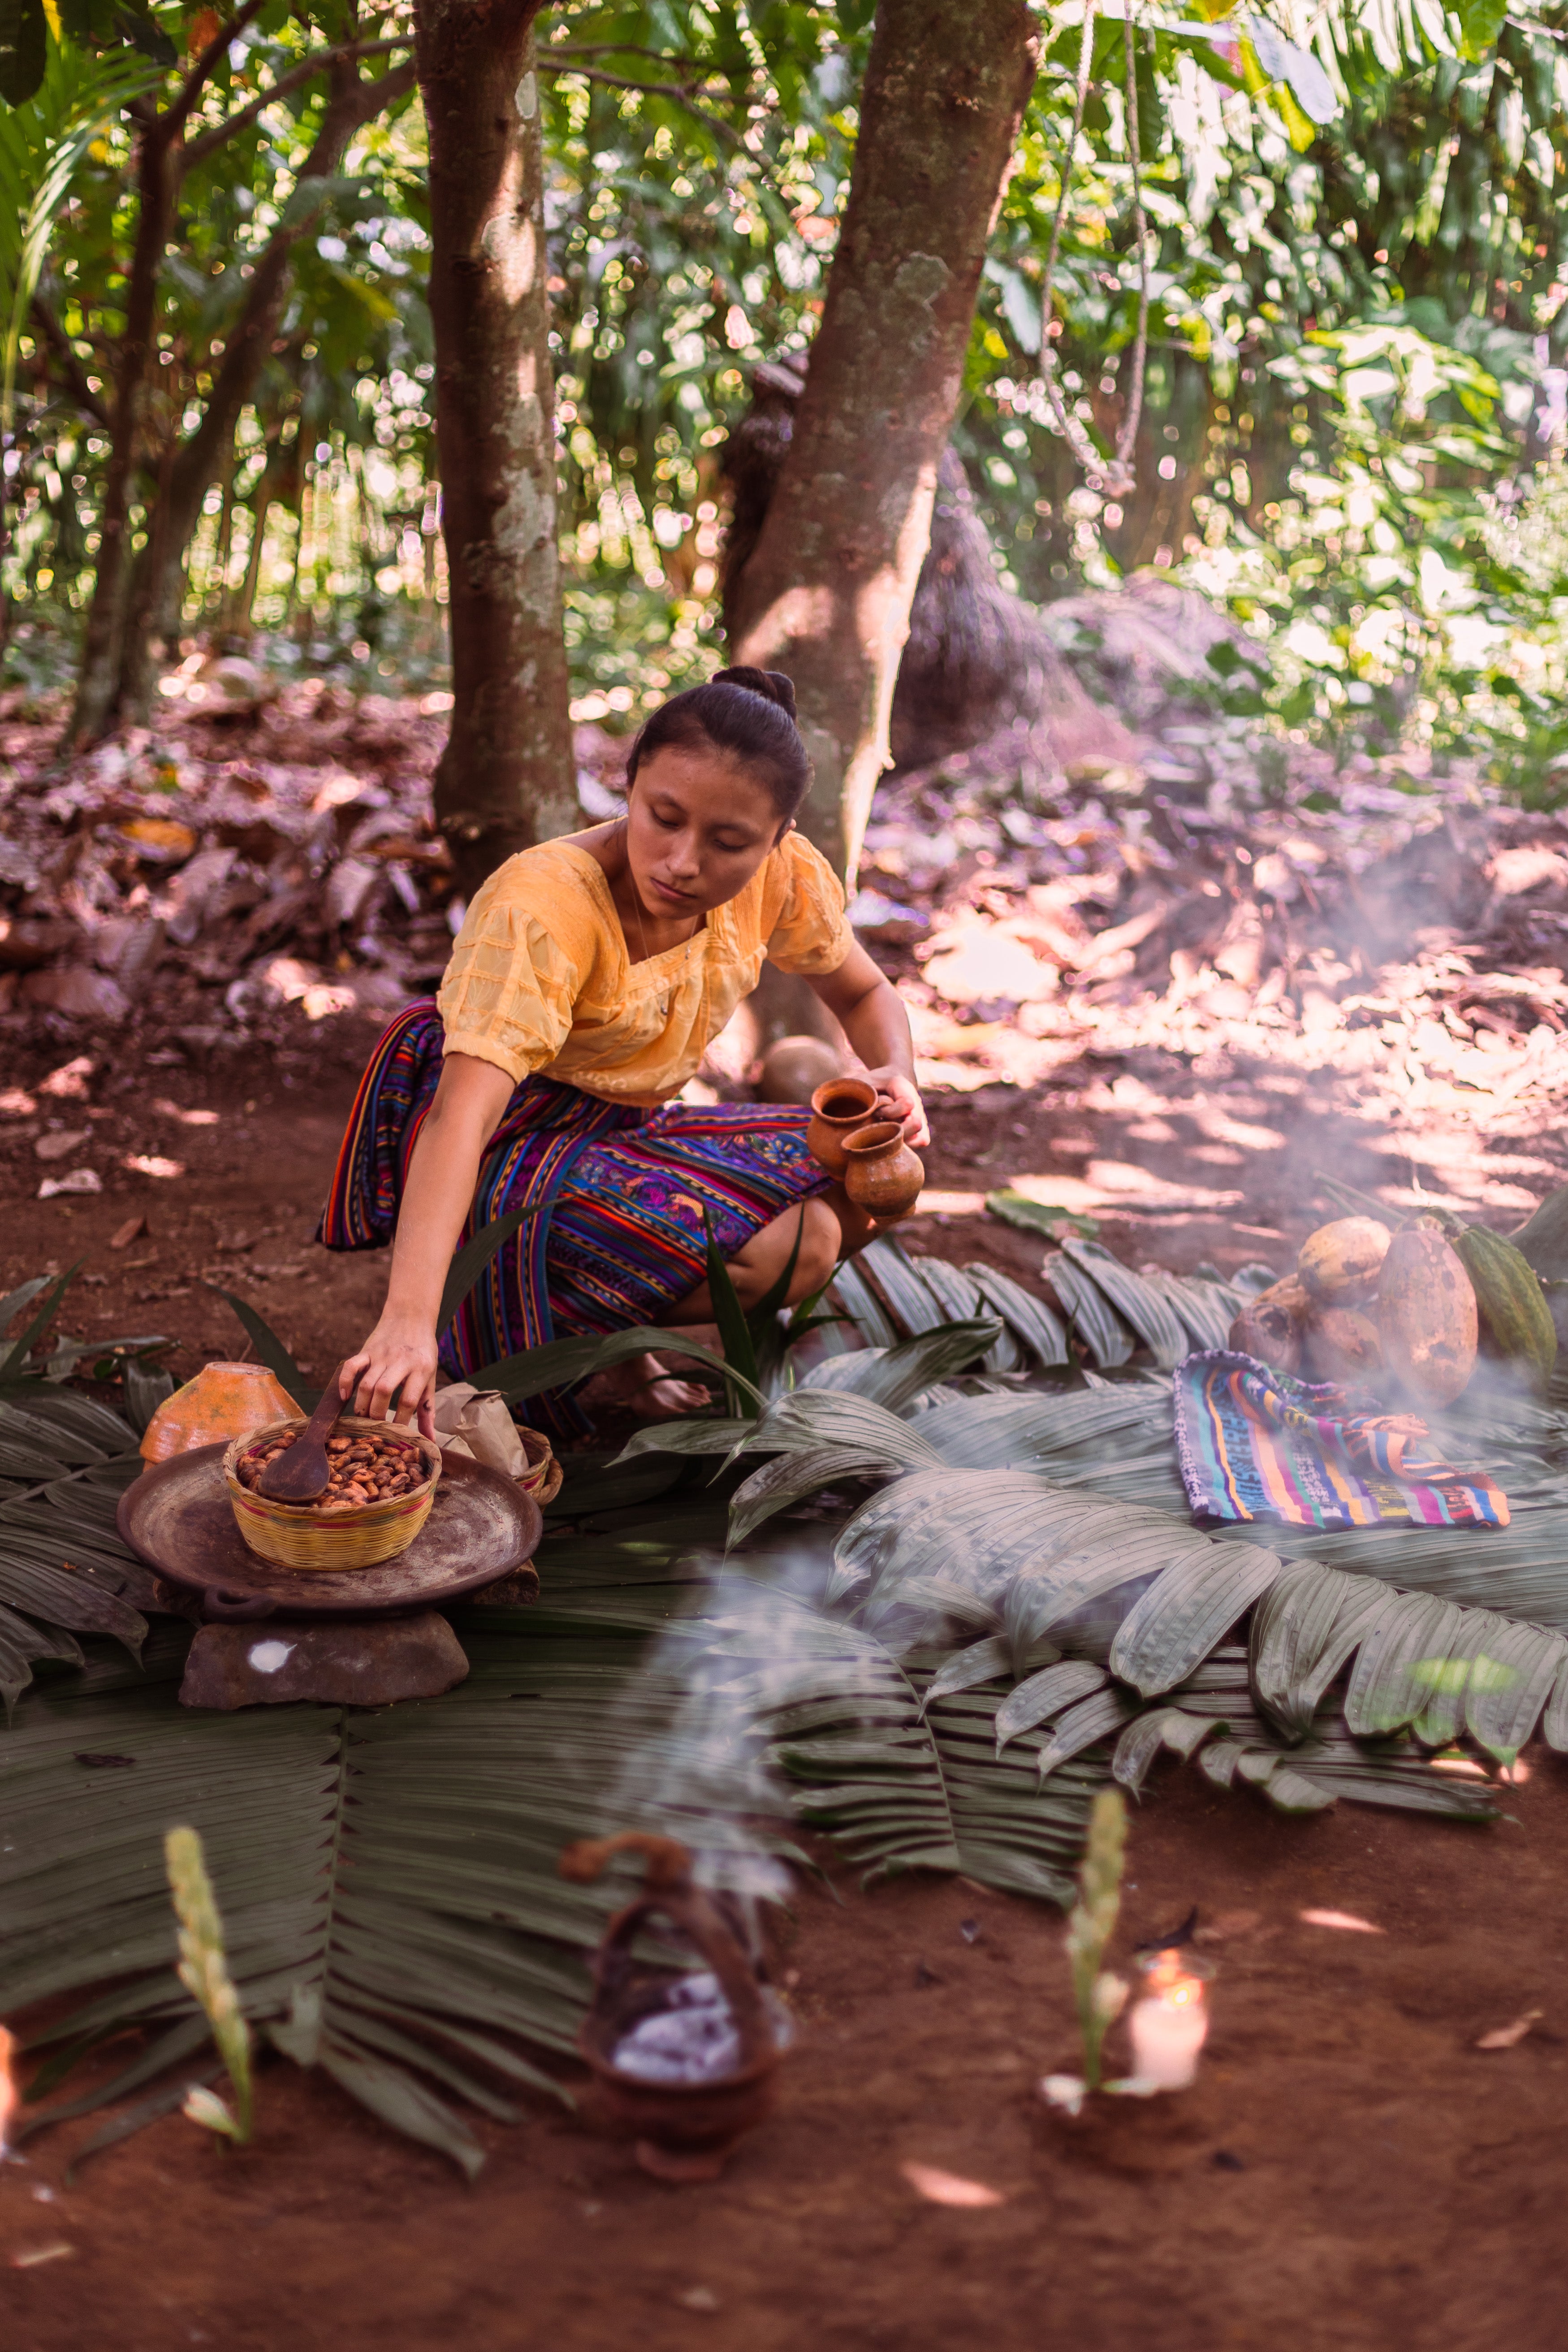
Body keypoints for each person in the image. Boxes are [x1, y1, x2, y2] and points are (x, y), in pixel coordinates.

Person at [320, 666, 929, 1434]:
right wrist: (406, 1324)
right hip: (513, 1145)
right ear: (630, 783)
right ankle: (564, 1326)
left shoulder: (780, 878)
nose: (682, 861)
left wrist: (897, 1075)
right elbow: (460, 1120)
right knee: (794, 1250)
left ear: (779, 838)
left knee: (878, 1175)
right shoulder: (543, 908)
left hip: (628, 1129)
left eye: (729, 842)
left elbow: (866, 993)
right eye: (663, 817)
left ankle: (618, 1323)